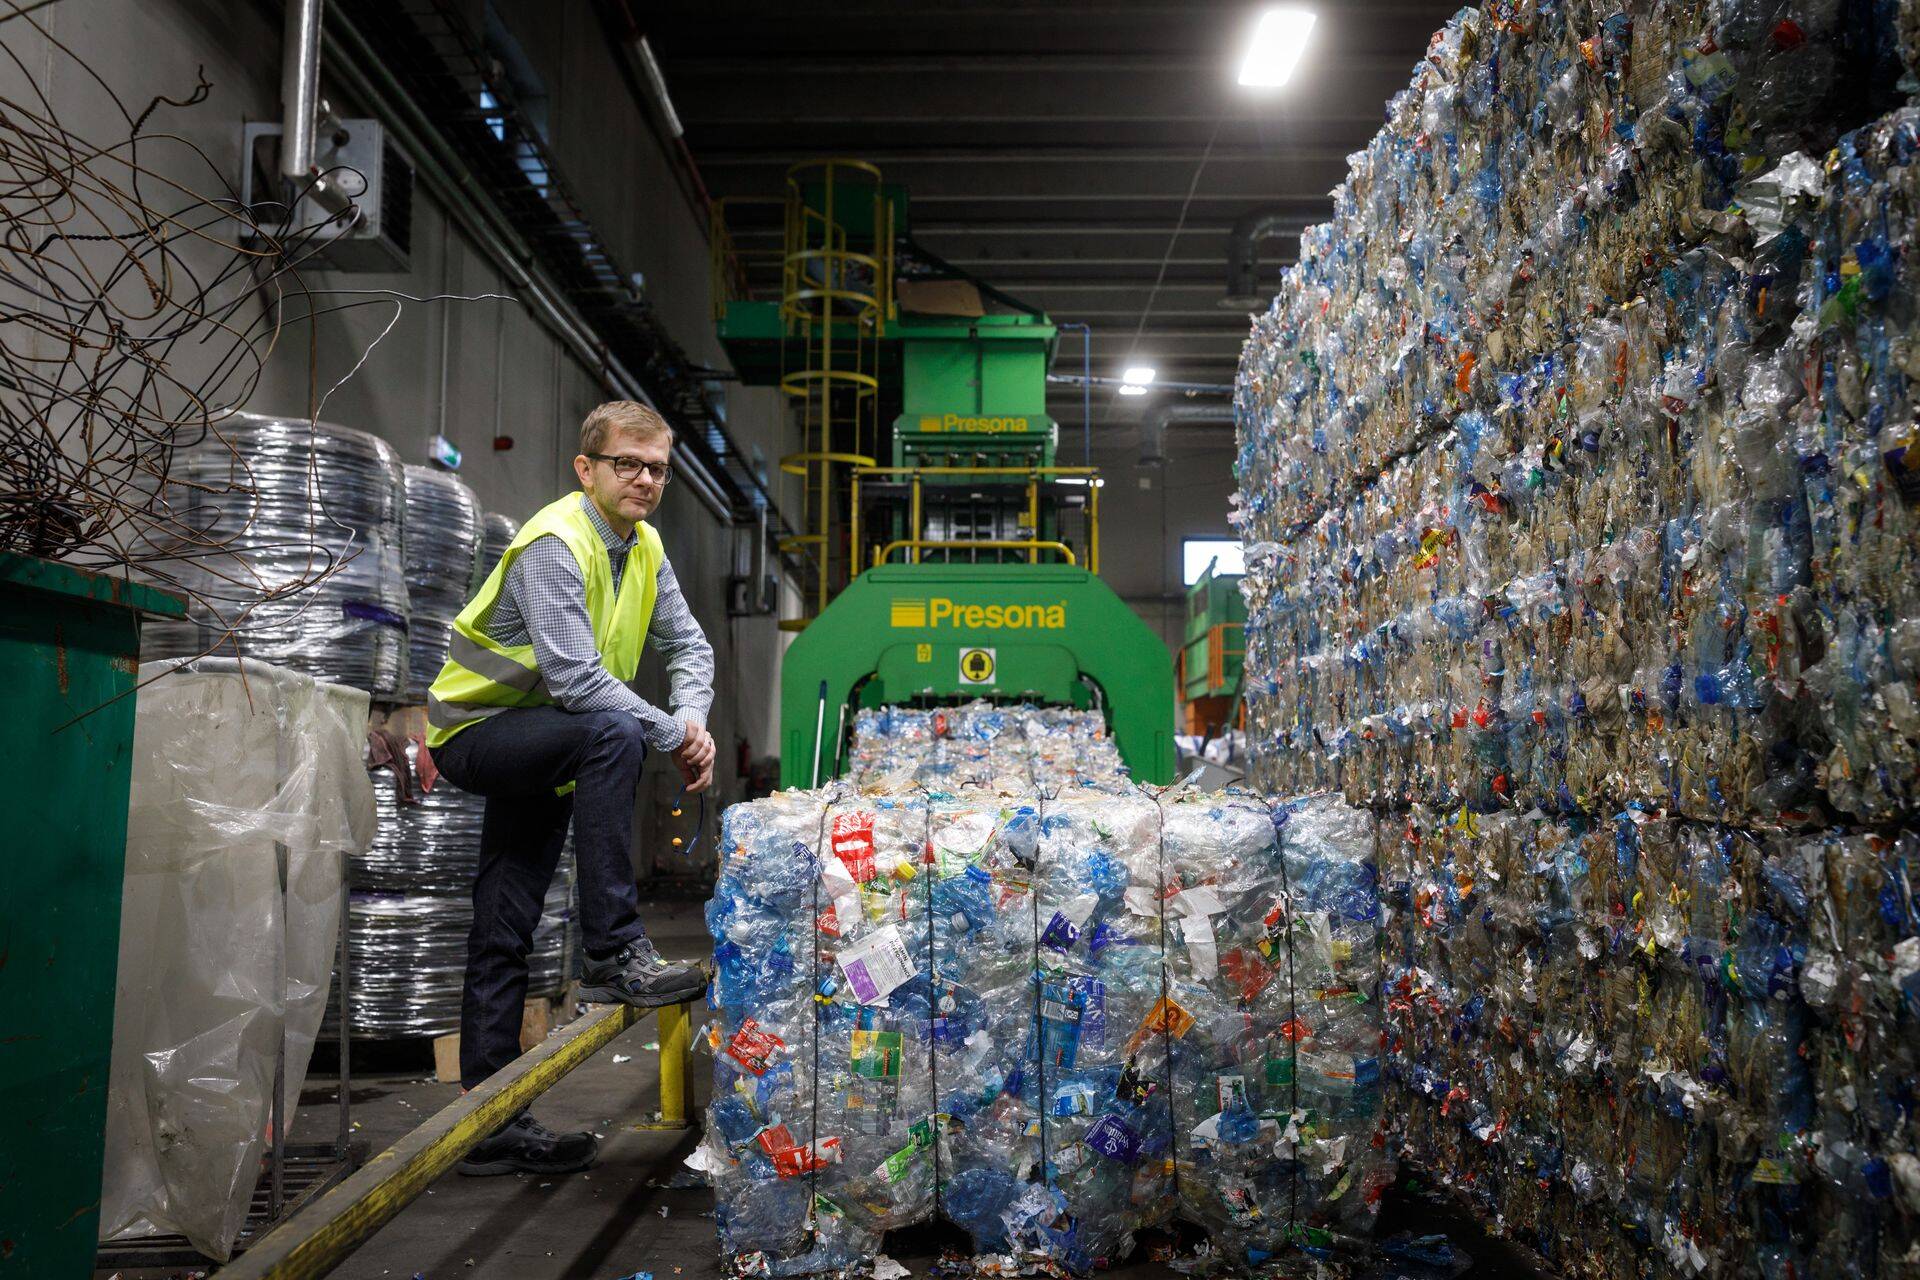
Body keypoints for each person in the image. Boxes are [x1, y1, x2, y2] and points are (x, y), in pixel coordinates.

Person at [424, 400, 716, 1175]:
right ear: (587, 469)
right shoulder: (555, 543)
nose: (644, 480)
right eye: (628, 464)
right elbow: (578, 681)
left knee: (506, 918)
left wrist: (692, 720)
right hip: (478, 731)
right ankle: (613, 948)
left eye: (657, 469)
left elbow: (689, 646)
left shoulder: (645, 548)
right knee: (614, 729)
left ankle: (489, 1121)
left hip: (547, 742)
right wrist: (669, 732)